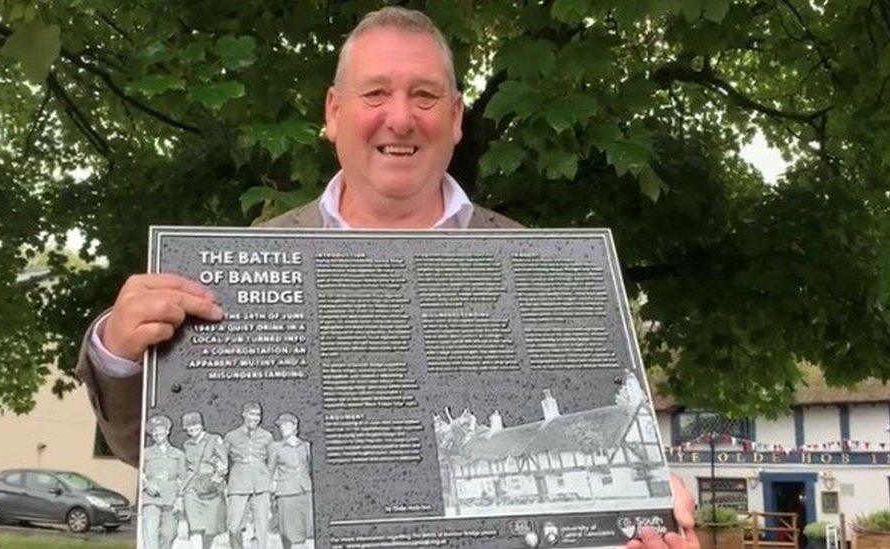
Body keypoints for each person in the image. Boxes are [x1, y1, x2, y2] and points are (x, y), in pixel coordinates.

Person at [74, 7, 698, 549]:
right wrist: (120, 351)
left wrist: (641, 501)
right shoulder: (241, 262)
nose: (399, 119)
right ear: (334, 111)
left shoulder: (541, 267)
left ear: (455, 118)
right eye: (375, 94)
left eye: (424, 96)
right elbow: (146, 450)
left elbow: (600, 423)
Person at [223, 402, 274, 549]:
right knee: (234, 526)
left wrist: (270, 480)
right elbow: (222, 460)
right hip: (238, 484)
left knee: (262, 527)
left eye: (258, 415)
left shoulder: (267, 436)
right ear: (244, 414)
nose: (255, 418)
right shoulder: (231, 436)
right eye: (252, 414)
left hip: (261, 484)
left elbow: (273, 461)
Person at [180, 411, 227, 549]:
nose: (192, 428)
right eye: (189, 427)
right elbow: (186, 467)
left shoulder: (214, 439)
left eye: (195, 424)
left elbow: (224, 463)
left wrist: (216, 480)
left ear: (201, 425)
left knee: (211, 530)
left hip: (210, 488)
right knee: (195, 527)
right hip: (192, 488)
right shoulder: (187, 444)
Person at [140, 415, 185, 549]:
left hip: (170, 498)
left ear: (167, 431)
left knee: (169, 534)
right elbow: (140, 474)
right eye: (154, 431)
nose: (158, 433)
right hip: (151, 498)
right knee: (150, 532)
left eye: (161, 430)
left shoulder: (178, 454)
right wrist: (145, 484)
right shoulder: (145, 453)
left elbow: (183, 478)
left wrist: (180, 499)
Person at [270, 413, 314, 549]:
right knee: (290, 532)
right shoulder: (275, 447)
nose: (283, 428)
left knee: (309, 530)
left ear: (295, 426)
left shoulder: (306, 446)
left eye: (287, 424)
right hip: (287, 493)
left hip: (305, 491)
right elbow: (270, 471)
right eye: (281, 425)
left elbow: (311, 467)